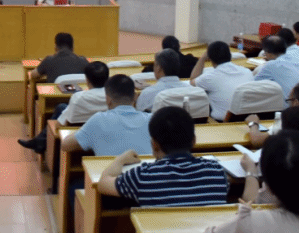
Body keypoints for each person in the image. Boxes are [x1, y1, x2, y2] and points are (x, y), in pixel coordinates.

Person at [97, 106, 228, 206]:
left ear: (154, 144)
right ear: (194, 140)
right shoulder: (217, 172)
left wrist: (120, 159)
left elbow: (103, 184)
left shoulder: (142, 176)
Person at [19, 61, 110, 154]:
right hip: (105, 130)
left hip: (77, 135)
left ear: (87, 80)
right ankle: (39, 142)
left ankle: (40, 142)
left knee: (60, 111)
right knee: (61, 107)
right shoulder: (113, 96)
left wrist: (55, 125)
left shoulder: (79, 97)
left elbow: (60, 124)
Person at [61, 74, 152, 156]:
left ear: (107, 99)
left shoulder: (98, 120)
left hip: (110, 169)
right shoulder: (152, 120)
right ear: (135, 97)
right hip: (147, 169)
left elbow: (65, 145)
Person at [190, 41, 253, 121]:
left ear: (210, 58)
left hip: (221, 121)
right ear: (230, 55)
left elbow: (193, 80)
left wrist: (202, 58)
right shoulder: (247, 72)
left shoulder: (210, 77)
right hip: (248, 120)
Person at [246, 81, 299, 147]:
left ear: (296, 103)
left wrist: (253, 123)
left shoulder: (288, 122)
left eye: (289, 100)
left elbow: (256, 140)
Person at [252, 36, 299, 101]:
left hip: (290, 104)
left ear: (268, 53)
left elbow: (252, 85)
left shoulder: (271, 65)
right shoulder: (297, 59)